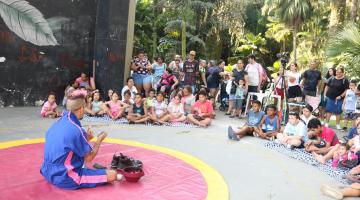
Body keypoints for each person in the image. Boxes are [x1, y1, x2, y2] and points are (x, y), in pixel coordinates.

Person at [40, 90, 119, 189]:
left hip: (47, 171)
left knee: (80, 162)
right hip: (65, 177)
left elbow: (68, 142)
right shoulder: (76, 129)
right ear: (81, 109)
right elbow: (89, 158)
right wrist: (99, 140)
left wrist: (87, 138)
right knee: (113, 175)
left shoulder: (58, 122)